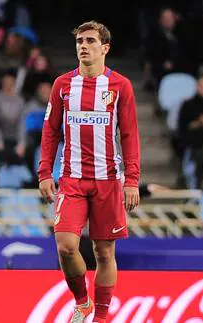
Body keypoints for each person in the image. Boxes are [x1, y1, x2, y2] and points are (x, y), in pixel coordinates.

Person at [38, 21, 140, 323]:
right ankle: (82, 303)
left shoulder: (120, 86)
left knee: (104, 253)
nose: (83, 45)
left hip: (108, 179)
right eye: (80, 41)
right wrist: (45, 172)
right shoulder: (63, 85)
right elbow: (50, 131)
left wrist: (132, 180)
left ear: (105, 48)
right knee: (66, 247)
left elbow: (130, 135)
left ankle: (101, 317)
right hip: (72, 179)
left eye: (90, 41)